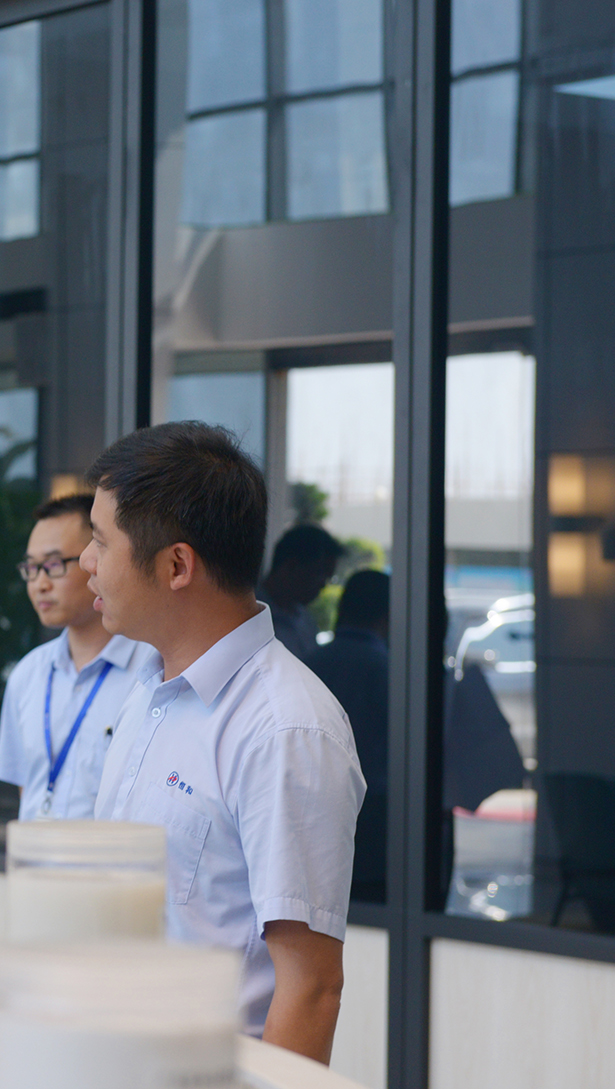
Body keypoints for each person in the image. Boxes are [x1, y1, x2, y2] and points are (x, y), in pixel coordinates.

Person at [83, 422, 364, 1063]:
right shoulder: (147, 692)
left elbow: (312, 989)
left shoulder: (286, 729)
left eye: (100, 541)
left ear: (176, 565)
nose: (85, 564)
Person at [0, 494, 150, 820]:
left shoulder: (152, 671)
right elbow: (27, 789)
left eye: (53, 565)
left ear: (96, 560)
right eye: (31, 568)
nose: (40, 584)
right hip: (35, 853)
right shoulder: (27, 674)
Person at [308, 569, 390, 902]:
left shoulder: (309, 662)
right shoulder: (388, 668)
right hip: (375, 808)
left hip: (314, 805)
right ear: (388, 614)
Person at [259, 523, 345, 663]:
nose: (323, 585)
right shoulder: (250, 615)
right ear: (291, 566)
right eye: (320, 575)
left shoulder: (305, 621)